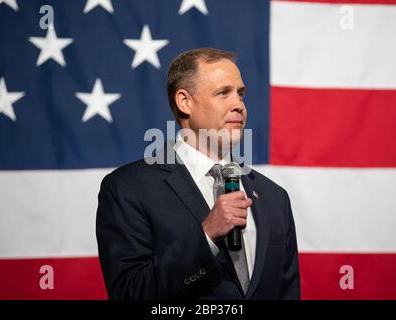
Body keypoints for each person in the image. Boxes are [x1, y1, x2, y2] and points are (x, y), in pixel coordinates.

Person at [96, 48, 300, 299]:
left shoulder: (274, 197)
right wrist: (206, 236)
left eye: (240, 94)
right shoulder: (128, 188)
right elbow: (130, 292)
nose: (238, 105)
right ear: (185, 102)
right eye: (223, 93)